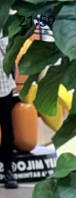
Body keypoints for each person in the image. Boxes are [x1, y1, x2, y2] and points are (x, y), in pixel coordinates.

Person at [0, 34, 19, 189]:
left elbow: (10, 53)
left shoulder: (3, 27)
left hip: (3, 85)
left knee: (7, 129)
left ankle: (8, 170)